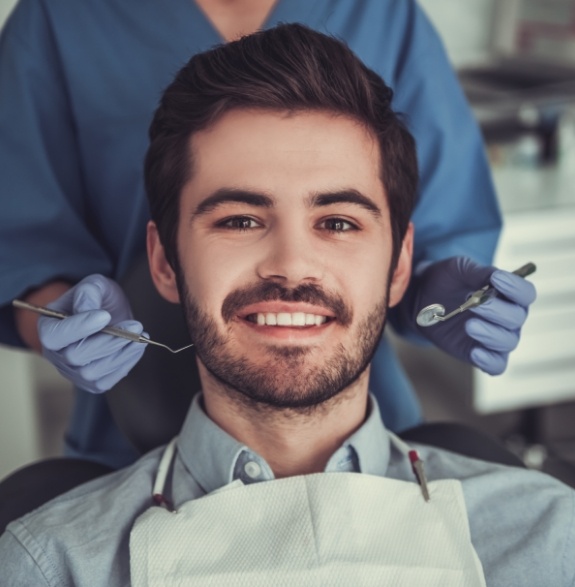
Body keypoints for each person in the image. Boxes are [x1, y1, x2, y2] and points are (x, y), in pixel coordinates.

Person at [0, 24, 567, 587]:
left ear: (398, 263)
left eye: (339, 222)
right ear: (165, 261)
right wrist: (47, 307)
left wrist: (428, 288)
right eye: (240, 220)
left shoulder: (547, 535)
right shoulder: (53, 563)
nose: (292, 265)